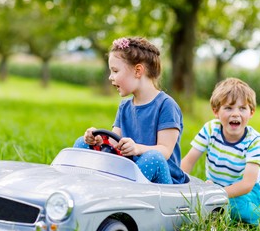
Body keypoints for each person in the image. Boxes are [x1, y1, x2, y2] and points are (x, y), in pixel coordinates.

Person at [74, 37, 187, 184]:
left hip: (162, 181)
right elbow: (114, 143)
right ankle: (80, 187)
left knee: (153, 158)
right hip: (129, 172)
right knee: (81, 143)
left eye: (115, 71)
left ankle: (115, 190)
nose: (110, 77)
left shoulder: (166, 105)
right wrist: (99, 140)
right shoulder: (124, 106)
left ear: (138, 71)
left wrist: (137, 148)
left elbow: (165, 151)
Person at [181, 77, 260, 225]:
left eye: (242, 108)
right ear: (216, 111)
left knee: (234, 208)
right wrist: (176, 184)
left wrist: (216, 194)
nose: (235, 114)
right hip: (216, 186)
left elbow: (247, 184)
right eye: (228, 108)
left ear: (251, 112)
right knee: (198, 206)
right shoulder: (210, 129)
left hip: (249, 191)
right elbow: (188, 161)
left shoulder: (255, 140)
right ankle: (224, 212)